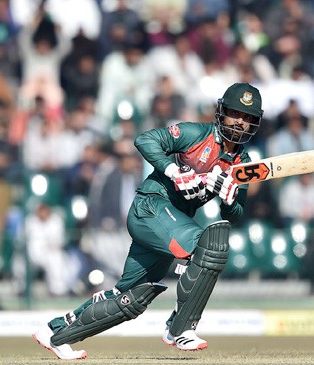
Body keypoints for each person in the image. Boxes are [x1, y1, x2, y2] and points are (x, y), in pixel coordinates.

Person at [33, 82, 263, 359]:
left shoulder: (243, 162)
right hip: (151, 207)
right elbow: (144, 140)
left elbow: (235, 215)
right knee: (210, 246)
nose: (240, 123)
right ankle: (180, 328)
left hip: (171, 224)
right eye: (235, 114)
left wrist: (229, 199)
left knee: (131, 298)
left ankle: (54, 333)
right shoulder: (195, 134)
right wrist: (175, 171)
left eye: (248, 119)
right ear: (221, 112)